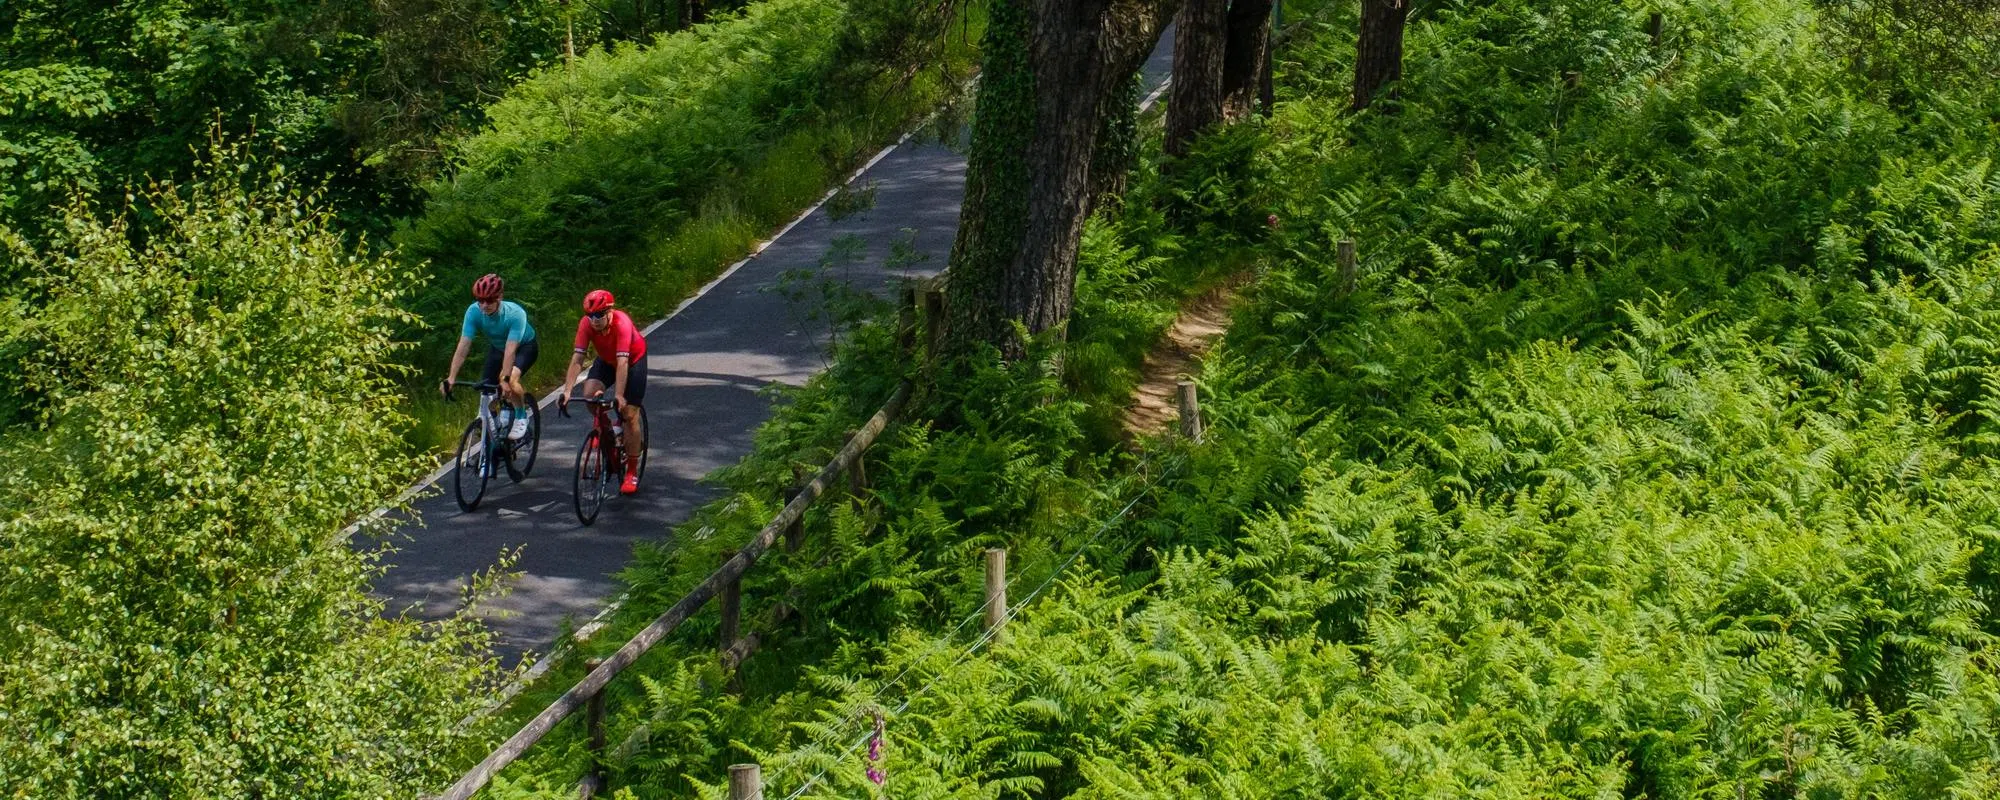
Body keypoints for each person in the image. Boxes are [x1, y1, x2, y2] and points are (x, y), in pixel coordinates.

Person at [559, 289, 648, 495]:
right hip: (607, 360)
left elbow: (623, 362)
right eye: (590, 316)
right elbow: (578, 359)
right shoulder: (586, 325)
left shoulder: (622, 323)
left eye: (599, 315)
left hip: (632, 360)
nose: (594, 320)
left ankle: (631, 472)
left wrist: (618, 395)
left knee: (629, 414)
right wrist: (566, 391)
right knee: (590, 395)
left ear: (610, 311)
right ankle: (609, 430)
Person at [442, 273, 539, 440]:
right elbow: (463, 346)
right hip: (497, 349)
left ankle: (521, 415)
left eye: (489, 301)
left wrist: (505, 379)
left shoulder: (515, 314)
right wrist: (451, 377)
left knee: (510, 380)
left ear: (499, 297)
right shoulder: (473, 312)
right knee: (486, 393)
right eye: (480, 300)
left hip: (524, 347)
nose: (484, 305)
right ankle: (494, 437)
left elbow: (511, 350)